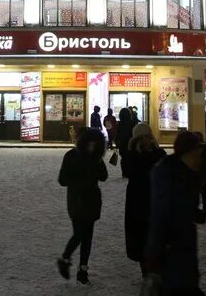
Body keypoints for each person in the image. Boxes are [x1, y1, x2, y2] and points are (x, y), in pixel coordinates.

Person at [144, 130, 205, 295]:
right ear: (188, 153)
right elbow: (159, 219)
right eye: (198, 154)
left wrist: (195, 213)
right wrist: (154, 261)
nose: (200, 159)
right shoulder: (169, 177)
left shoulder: (186, 175)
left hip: (183, 249)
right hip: (172, 251)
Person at [56, 128, 108, 285]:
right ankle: (65, 259)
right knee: (80, 233)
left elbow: (104, 177)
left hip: (91, 200)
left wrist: (97, 163)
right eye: (90, 144)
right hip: (77, 201)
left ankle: (83, 269)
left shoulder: (96, 158)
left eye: (95, 145)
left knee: (88, 236)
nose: (92, 147)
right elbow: (62, 180)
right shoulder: (72, 156)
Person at [122, 123, 166, 277]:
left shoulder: (157, 154)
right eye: (141, 137)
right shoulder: (134, 156)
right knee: (141, 236)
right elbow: (129, 171)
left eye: (146, 136)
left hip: (151, 200)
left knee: (152, 235)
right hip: (141, 200)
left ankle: (152, 270)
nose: (145, 140)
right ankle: (147, 272)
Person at [116, 108, 134, 176]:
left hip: (122, 142)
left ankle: (124, 172)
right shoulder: (132, 122)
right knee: (129, 158)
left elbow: (117, 133)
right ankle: (129, 171)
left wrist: (117, 141)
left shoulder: (120, 123)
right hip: (130, 142)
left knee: (123, 158)